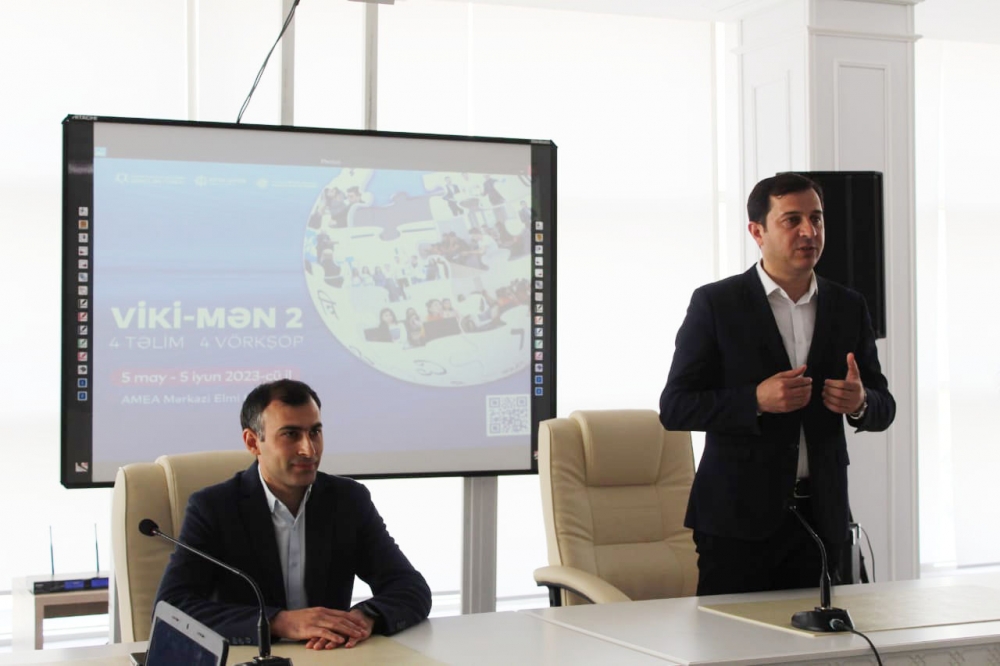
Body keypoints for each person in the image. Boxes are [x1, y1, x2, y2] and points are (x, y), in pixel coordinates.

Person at [659, 173, 895, 597]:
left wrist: (860, 402)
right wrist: (755, 400)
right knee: (732, 638)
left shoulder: (848, 305)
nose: (809, 232)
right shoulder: (716, 304)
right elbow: (675, 406)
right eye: (792, 220)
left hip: (822, 518)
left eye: (816, 218)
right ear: (757, 231)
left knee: (821, 639)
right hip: (736, 523)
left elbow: (884, 405)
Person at [154, 380, 431, 649]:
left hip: (328, 656)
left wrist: (366, 617)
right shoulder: (213, 508)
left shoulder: (347, 500)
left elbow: (410, 587)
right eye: (291, 434)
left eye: (315, 432)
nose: (309, 449)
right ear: (252, 442)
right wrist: (279, 621)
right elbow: (172, 607)